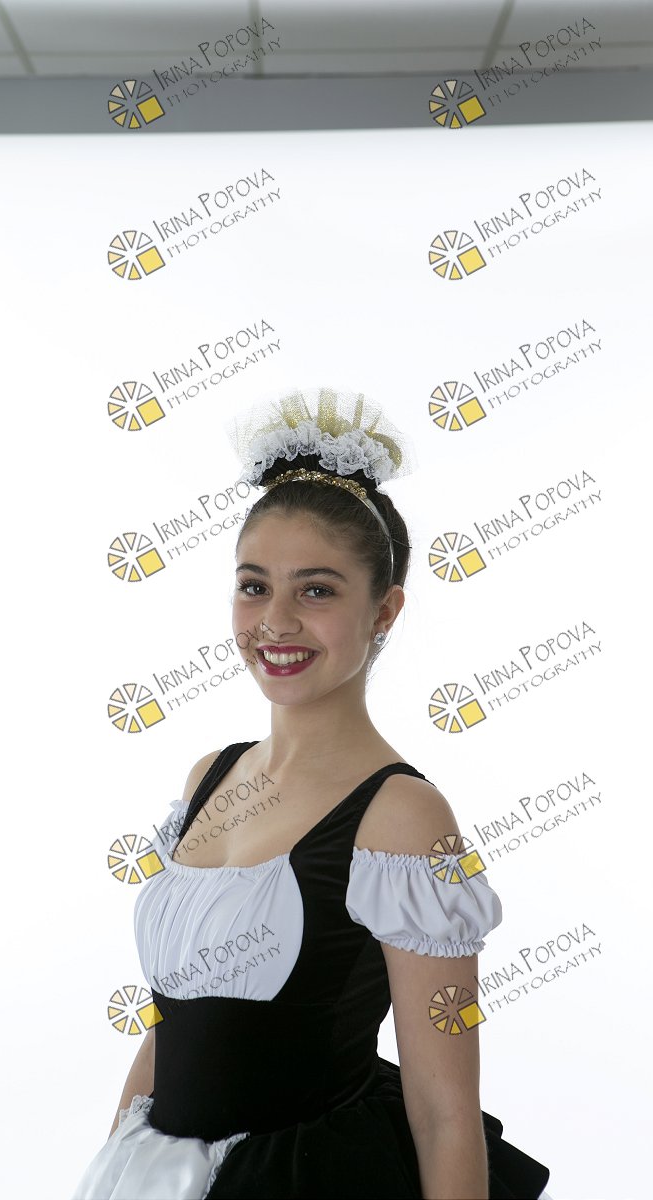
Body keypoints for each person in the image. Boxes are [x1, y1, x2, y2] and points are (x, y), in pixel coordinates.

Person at [70, 386, 554, 1199]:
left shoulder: (401, 818)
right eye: (254, 586)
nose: (277, 620)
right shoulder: (209, 777)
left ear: (384, 611)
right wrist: (114, 1164)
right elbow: (171, 1021)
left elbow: (444, 1112)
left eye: (318, 590)